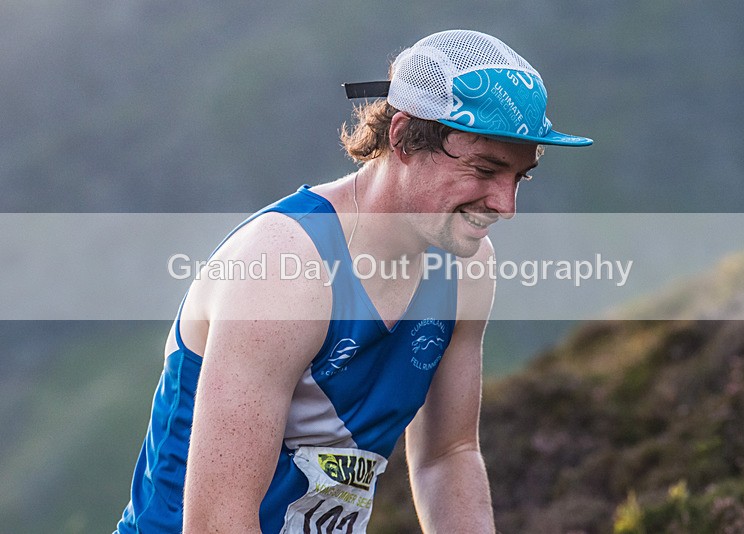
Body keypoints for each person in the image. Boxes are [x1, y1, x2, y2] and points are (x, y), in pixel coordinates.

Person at [115, 29, 591, 533]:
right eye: (485, 169)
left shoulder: (466, 266)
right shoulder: (284, 266)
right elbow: (217, 521)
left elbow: (447, 455)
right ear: (404, 137)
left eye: (519, 177)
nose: (505, 206)